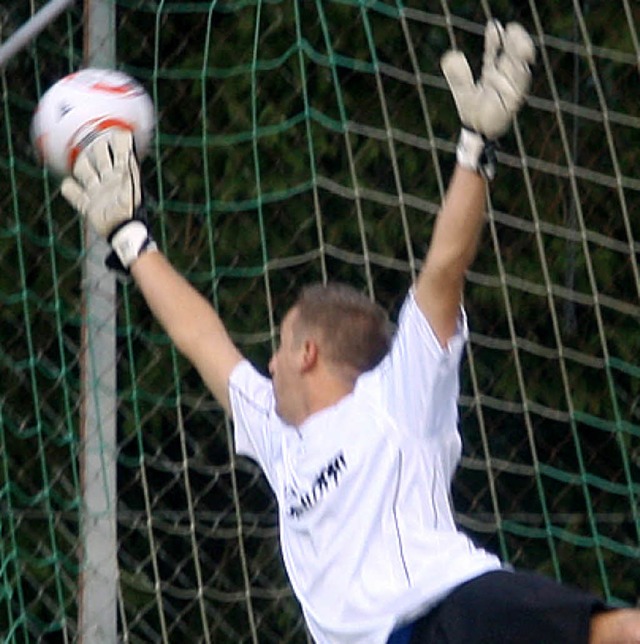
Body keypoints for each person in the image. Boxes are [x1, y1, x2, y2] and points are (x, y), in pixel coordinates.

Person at [61, 20, 640, 644]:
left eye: (280, 344)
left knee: (608, 632)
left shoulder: (397, 397)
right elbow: (203, 338)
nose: (270, 362)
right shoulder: (280, 439)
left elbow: (444, 271)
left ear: (308, 352)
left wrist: (475, 148)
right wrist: (131, 238)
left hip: (447, 613)